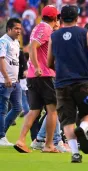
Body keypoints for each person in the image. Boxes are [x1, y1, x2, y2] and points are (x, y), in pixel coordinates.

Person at [47, 5, 88, 163]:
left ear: (60, 18)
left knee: (67, 120)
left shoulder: (54, 36)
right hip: (83, 81)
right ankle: (84, 128)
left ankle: (75, 153)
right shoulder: (84, 33)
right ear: (77, 18)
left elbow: (49, 62)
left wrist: (59, 70)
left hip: (62, 84)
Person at [14, 5, 60, 153]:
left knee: (34, 110)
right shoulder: (46, 29)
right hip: (44, 75)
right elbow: (33, 46)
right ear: (55, 18)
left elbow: (33, 45)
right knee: (52, 110)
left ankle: (21, 140)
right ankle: (48, 145)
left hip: (33, 77)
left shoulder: (37, 28)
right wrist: (37, 65)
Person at [0, 18, 22, 146]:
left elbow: (14, 61)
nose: (18, 31)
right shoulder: (3, 41)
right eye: (16, 29)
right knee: (2, 109)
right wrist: (6, 77)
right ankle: (1, 136)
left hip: (15, 82)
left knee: (18, 108)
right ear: (9, 29)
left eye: (19, 28)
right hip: (4, 81)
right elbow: (1, 60)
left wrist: (16, 78)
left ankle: (2, 133)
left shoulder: (16, 42)